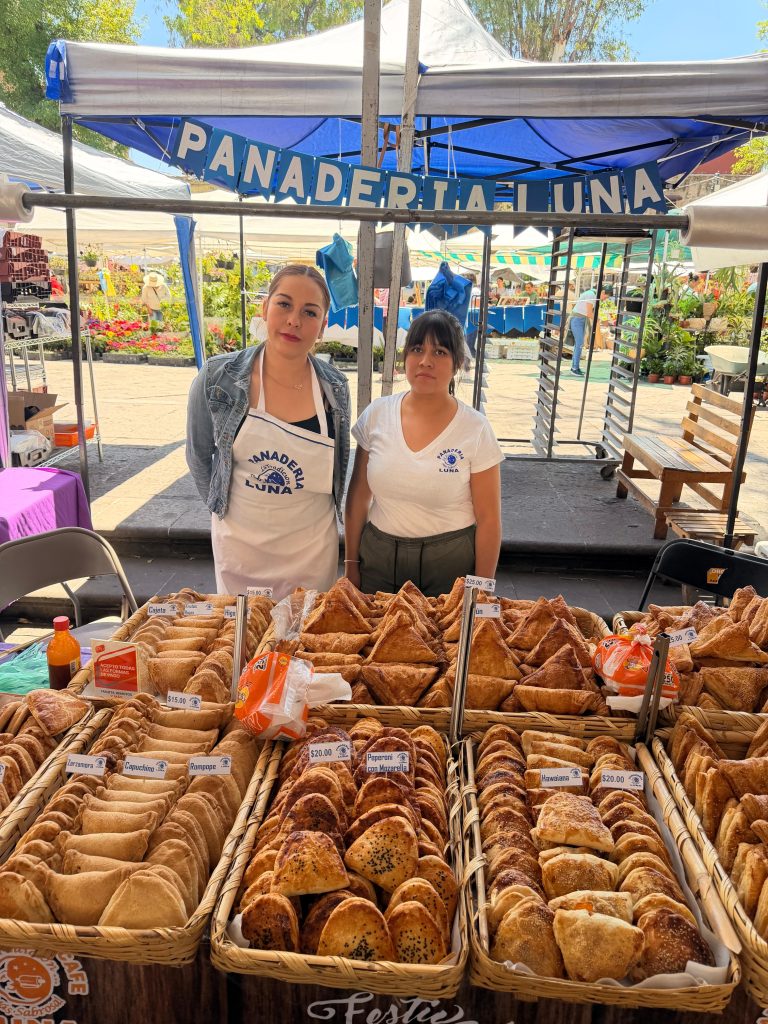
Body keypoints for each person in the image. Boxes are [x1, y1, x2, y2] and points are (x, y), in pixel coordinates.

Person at [186, 265, 351, 600]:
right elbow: (198, 455)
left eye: (310, 312)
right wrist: (222, 513)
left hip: (310, 551)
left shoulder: (335, 388)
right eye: (284, 304)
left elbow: (340, 466)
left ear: (322, 326)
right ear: (265, 307)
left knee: (305, 631)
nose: (294, 320)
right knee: (241, 631)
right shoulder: (217, 377)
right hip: (241, 548)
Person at [344, 310, 503, 597]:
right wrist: (351, 564)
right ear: (405, 357)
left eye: (440, 352)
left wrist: (482, 590)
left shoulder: (475, 428)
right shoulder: (377, 415)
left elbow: (489, 518)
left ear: (457, 363)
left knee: (446, 629)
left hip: (448, 564)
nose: (426, 361)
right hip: (378, 560)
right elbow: (357, 499)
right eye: (417, 349)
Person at [567, 284, 613, 375]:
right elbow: (589, 313)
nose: (605, 299)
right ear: (603, 292)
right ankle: (574, 368)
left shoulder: (593, 294)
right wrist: (601, 321)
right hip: (577, 319)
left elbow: (591, 313)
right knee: (579, 343)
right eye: (606, 297)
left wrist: (601, 320)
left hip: (581, 319)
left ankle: (575, 367)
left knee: (579, 344)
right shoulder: (591, 295)